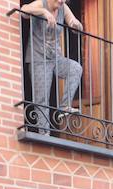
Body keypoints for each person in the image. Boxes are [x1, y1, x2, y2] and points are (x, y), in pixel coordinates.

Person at [19, 0, 83, 133]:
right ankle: (44, 134)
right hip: (38, 59)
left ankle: (65, 106)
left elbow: (74, 22)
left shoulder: (63, 8)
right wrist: (43, 12)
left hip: (56, 58)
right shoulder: (41, 3)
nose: (61, 1)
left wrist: (75, 24)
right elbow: (24, 10)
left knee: (75, 68)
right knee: (42, 100)